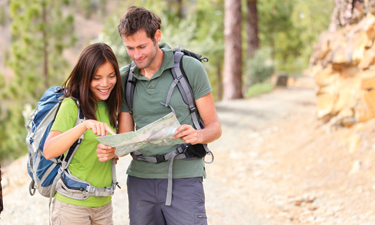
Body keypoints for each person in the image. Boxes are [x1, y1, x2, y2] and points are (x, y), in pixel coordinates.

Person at [96, 6, 222, 225]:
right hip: (141, 181)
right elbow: (125, 137)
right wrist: (112, 149)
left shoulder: (188, 68)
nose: (136, 55)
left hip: (184, 178)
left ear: (157, 36)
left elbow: (215, 127)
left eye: (142, 46)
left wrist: (198, 135)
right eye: (130, 48)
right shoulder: (126, 78)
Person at [43, 43, 122, 225]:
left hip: (104, 204)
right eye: (97, 78)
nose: (105, 84)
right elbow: (49, 150)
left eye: (111, 76)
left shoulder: (112, 106)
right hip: (72, 206)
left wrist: (113, 152)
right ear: (85, 77)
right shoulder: (71, 106)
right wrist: (84, 125)